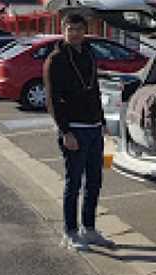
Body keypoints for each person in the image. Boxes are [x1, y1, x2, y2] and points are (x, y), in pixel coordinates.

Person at [44, 13, 116, 252]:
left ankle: (90, 228)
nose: (74, 33)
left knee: (95, 181)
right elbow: (53, 99)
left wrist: (102, 120)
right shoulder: (55, 59)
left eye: (78, 29)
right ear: (63, 30)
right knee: (73, 182)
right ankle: (71, 232)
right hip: (74, 130)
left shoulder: (89, 53)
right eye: (70, 29)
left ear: (85, 30)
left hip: (94, 128)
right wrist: (65, 131)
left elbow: (94, 89)